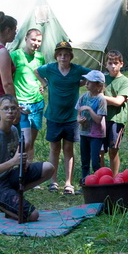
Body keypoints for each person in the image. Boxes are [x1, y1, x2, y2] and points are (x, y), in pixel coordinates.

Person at [0, 95, 55, 221]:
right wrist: (14, 161)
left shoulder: (13, 130)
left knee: (48, 168)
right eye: (6, 108)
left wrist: (24, 162)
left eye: (13, 108)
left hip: (8, 176)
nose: (10, 112)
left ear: (18, 110)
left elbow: (16, 154)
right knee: (33, 215)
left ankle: (12, 196)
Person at [36, 40, 91, 195]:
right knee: (54, 148)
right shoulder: (50, 68)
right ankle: (53, 182)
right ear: (56, 56)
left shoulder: (77, 70)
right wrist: (45, 83)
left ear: (71, 56)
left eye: (66, 55)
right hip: (53, 116)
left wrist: (81, 83)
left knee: (68, 149)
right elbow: (36, 71)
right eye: (60, 54)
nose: (63, 57)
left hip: (71, 117)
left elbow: (93, 74)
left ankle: (68, 183)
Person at [9, 28, 46, 157]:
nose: (36, 43)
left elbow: (41, 75)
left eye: (39, 41)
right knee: (24, 142)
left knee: (31, 142)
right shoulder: (15, 56)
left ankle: (28, 166)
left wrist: (42, 84)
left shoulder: (40, 57)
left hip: (37, 103)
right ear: (26, 39)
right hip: (22, 104)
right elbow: (8, 79)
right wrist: (14, 102)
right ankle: (16, 164)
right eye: (33, 40)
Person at [101, 50, 128, 173]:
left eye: (116, 63)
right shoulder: (102, 79)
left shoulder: (125, 81)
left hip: (117, 119)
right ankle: (101, 176)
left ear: (121, 64)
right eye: (110, 63)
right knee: (100, 151)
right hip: (101, 119)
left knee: (113, 150)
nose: (113, 66)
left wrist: (102, 98)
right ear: (106, 65)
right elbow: (94, 97)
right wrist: (110, 99)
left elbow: (118, 102)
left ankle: (114, 177)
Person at [76, 71, 107, 182]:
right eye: (87, 81)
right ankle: (86, 181)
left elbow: (98, 120)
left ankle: (98, 181)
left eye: (90, 82)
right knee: (84, 161)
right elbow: (78, 112)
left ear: (98, 85)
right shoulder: (84, 97)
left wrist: (89, 109)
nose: (86, 83)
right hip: (84, 133)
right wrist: (79, 119)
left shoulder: (101, 99)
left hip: (96, 135)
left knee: (95, 161)